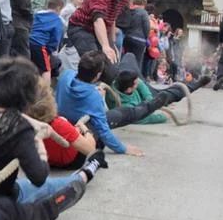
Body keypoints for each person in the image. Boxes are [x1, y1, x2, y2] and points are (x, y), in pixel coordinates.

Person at [0, 58, 93, 207]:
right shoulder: (20, 130)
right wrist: (39, 144)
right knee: (51, 187)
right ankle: (83, 176)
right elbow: (39, 178)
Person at [57, 51, 206, 157]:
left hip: (68, 122)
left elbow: (139, 82)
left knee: (156, 95)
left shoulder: (66, 76)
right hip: (84, 128)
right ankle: (157, 102)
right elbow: (103, 129)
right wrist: (123, 148)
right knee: (129, 112)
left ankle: (168, 97)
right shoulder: (94, 96)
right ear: (97, 75)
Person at [67, 0, 144, 80]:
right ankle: (79, 87)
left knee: (112, 70)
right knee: (94, 64)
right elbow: (98, 19)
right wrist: (106, 46)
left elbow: (112, 19)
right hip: (81, 28)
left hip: (98, 30)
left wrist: (112, 43)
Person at [29, 0, 67, 75]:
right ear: (58, 8)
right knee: (46, 69)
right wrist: (50, 50)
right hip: (40, 45)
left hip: (28, 41)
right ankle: (46, 83)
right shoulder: (57, 20)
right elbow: (55, 39)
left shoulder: (37, 14)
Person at [119, 0, 152, 67]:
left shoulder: (129, 11)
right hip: (139, 40)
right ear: (143, 3)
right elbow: (147, 27)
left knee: (127, 60)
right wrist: (146, 38)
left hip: (128, 39)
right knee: (137, 62)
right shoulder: (143, 12)